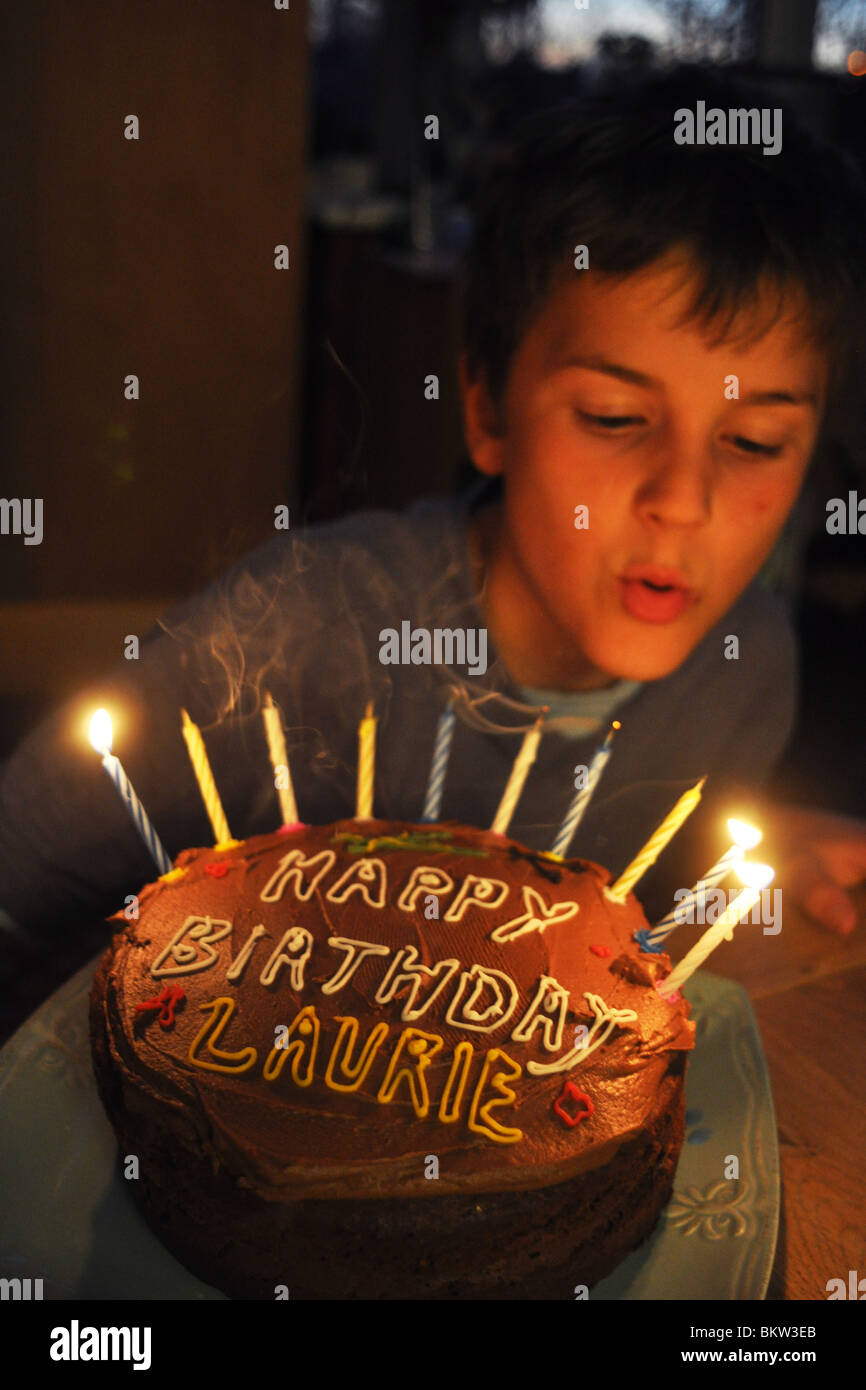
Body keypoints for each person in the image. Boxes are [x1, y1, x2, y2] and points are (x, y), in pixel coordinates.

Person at [2, 66, 865, 1028]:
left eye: (754, 442)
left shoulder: (748, 673)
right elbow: (20, 870)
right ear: (489, 409)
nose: (684, 501)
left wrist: (736, 868)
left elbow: (641, 947)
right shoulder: (308, 631)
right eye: (616, 417)